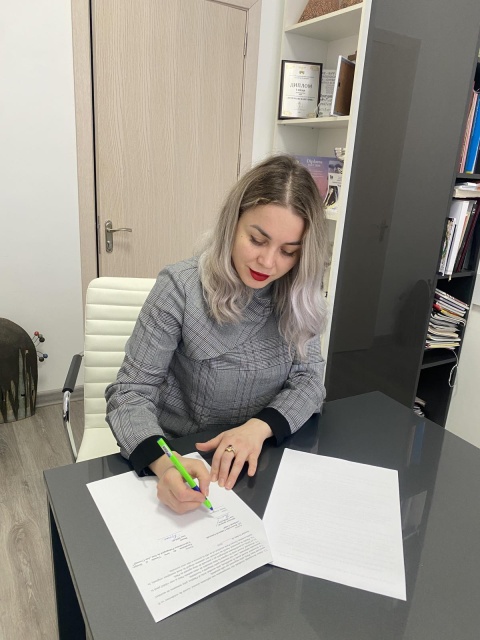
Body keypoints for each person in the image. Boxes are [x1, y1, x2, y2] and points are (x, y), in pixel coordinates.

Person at [105, 154, 329, 513]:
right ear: (232, 224)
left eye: (288, 252)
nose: (268, 263)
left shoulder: (297, 291)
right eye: (257, 240)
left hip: (262, 453)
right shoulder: (180, 288)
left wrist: (258, 428)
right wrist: (166, 465)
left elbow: (309, 381)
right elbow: (131, 392)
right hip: (184, 456)